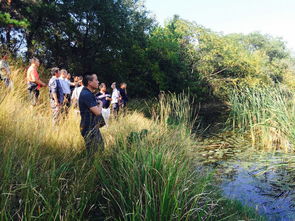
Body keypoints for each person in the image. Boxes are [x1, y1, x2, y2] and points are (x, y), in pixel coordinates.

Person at [79, 73, 104, 155]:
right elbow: (98, 112)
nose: (98, 82)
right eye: (96, 80)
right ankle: (91, 167)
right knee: (95, 153)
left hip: (91, 126)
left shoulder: (88, 93)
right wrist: (101, 104)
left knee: (98, 149)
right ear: (89, 82)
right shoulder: (86, 94)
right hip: (89, 127)